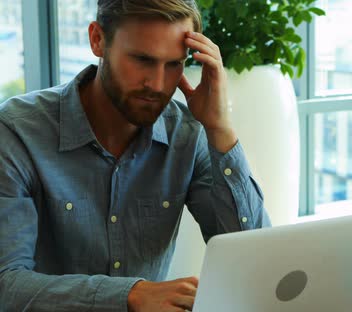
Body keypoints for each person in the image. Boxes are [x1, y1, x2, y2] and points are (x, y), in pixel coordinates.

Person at [0, 0, 271, 311]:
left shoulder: (188, 133)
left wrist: (220, 128)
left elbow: (255, 264)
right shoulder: (16, 132)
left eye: (173, 64)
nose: (157, 85)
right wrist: (131, 295)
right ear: (97, 39)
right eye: (142, 60)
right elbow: (6, 285)